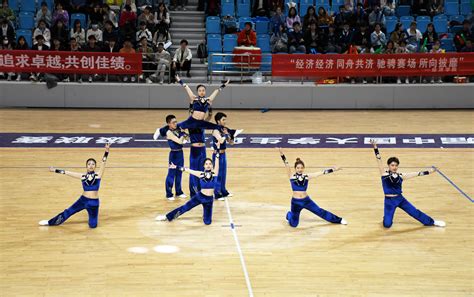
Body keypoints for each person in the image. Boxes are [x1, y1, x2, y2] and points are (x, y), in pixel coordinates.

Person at [370, 140, 445, 229]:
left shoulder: (401, 176)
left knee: (414, 212)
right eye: (392, 165)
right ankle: (385, 218)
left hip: (400, 199)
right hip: (389, 201)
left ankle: (432, 222)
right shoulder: (384, 174)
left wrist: (429, 171)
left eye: (396, 165)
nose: (394, 167)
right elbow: (378, 159)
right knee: (387, 225)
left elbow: (417, 174)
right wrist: (375, 147)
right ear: (389, 166)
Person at [39, 143, 110, 228]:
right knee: (68, 211)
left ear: (95, 166)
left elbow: (103, 162)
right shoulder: (82, 176)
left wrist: (106, 152)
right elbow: (67, 172)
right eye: (89, 164)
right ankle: (50, 222)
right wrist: (55, 170)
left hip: (94, 203)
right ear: (86, 166)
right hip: (83, 200)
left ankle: (91, 219)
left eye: (93, 164)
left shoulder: (98, 175)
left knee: (93, 225)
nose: (91, 165)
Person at [277, 148, 347, 228]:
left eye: (301, 168)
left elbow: (321, 172)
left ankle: (339, 220)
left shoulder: (307, 176)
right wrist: (281, 154)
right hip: (295, 202)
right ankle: (289, 215)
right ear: (295, 168)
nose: (300, 169)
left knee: (320, 211)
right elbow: (286, 164)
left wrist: (334, 169)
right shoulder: (291, 176)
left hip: (306, 201)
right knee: (294, 224)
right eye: (298, 168)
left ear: (303, 168)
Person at [155, 148, 221, 225]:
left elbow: (217, 161)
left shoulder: (215, 174)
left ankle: (205, 215)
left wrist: (217, 151)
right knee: (185, 207)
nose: (208, 165)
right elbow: (187, 170)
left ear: (212, 165)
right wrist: (176, 167)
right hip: (200, 196)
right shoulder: (200, 174)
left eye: (210, 164)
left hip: (209, 200)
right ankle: (167, 216)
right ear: (204, 166)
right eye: (206, 164)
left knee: (207, 222)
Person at [154, 115, 188, 200]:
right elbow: (180, 141)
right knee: (171, 174)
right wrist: (183, 134)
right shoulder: (168, 132)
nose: (175, 124)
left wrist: (184, 135)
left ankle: (179, 192)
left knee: (179, 172)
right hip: (174, 155)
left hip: (180, 153)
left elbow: (186, 139)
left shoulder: (177, 129)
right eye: (173, 122)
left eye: (176, 122)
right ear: (169, 124)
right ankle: (169, 193)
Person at [211, 112, 235, 200]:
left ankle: (223, 191)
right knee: (218, 174)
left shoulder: (225, 129)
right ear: (218, 121)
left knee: (223, 173)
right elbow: (220, 140)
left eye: (225, 119)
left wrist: (231, 135)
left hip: (223, 153)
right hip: (217, 154)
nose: (225, 121)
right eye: (223, 120)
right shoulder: (215, 130)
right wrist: (225, 134)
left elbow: (231, 143)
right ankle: (217, 193)